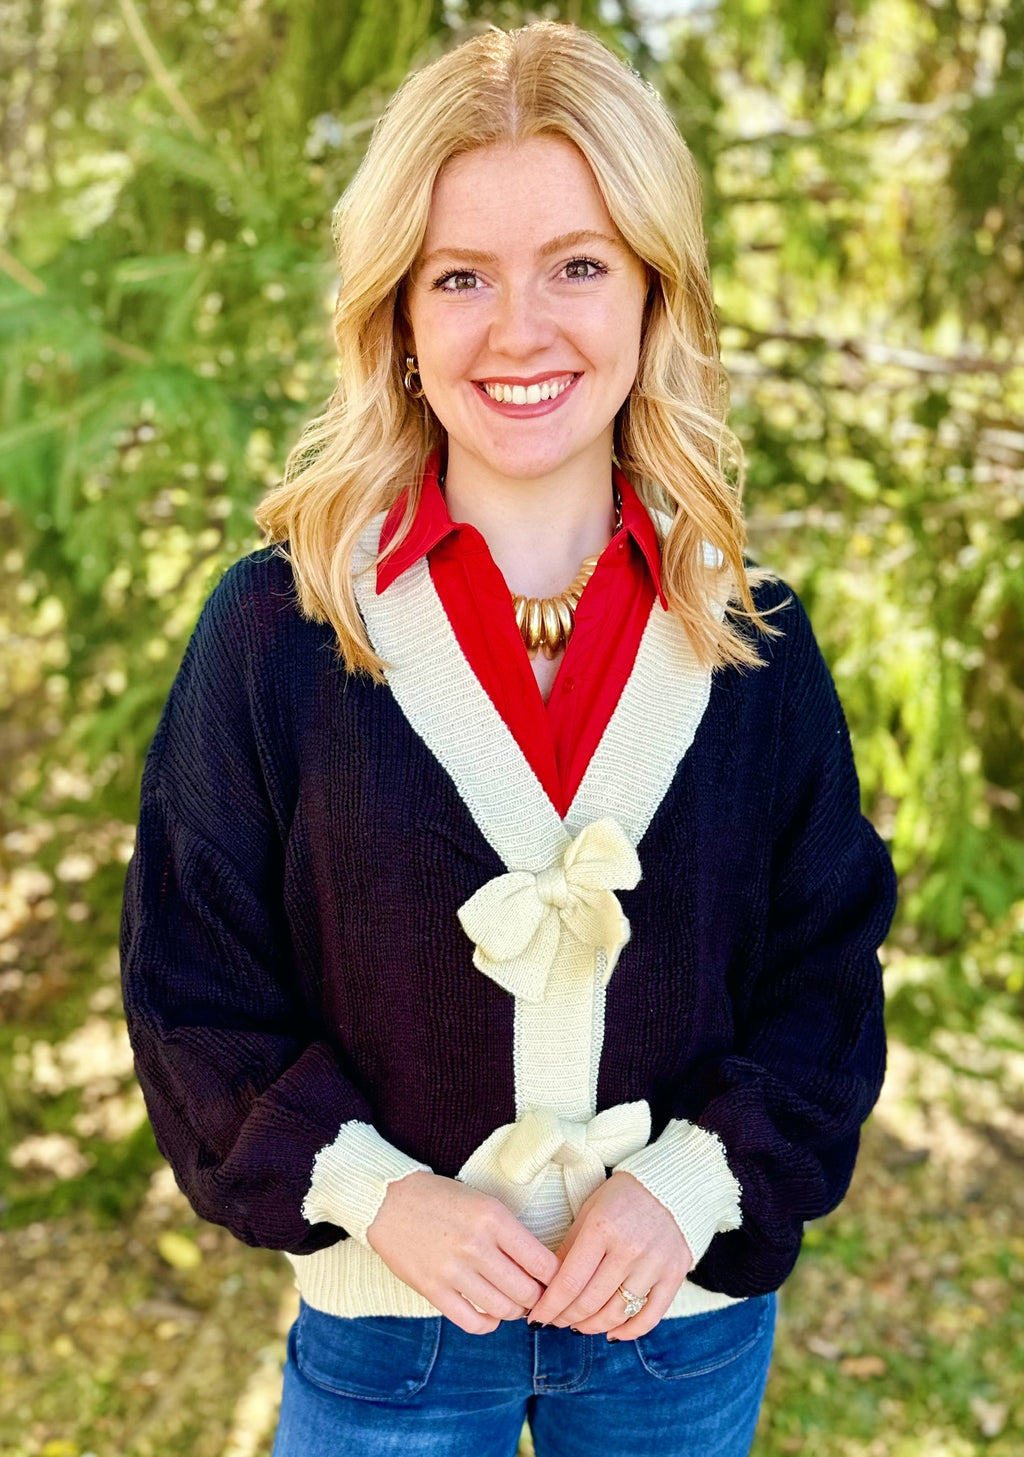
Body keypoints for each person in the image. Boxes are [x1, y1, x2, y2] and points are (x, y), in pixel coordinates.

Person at [120, 21, 897, 1457]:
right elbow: (191, 985)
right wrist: (376, 1191)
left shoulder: (756, 649)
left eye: (579, 265)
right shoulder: (279, 632)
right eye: (461, 275)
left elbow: (827, 979)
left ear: (656, 292)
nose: (519, 329)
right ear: (398, 315)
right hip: (388, 1345)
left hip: (678, 1339)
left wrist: (692, 1181)